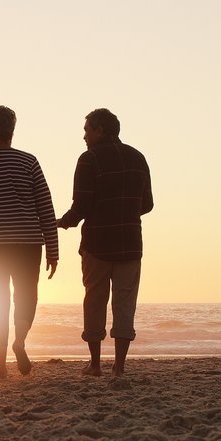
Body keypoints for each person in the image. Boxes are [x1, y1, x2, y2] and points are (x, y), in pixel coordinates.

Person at [0, 105, 59, 379]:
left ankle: (0, 366)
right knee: (26, 295)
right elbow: (45, 207)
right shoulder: (28, 161)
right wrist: (53, 249)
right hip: (27, 241)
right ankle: (20, 341)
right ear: (12, 131)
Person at [57, 108, 153, 377]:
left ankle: (96, 364)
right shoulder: (138, 158)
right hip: (130, 243)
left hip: (97, 244)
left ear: (100, 130)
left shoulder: (89, 159)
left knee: (94, 301)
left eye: (87, 129)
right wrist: (125, 212)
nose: (84, 135)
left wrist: (62, 222)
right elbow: (147, 204)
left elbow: (82, 205)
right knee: (124, 303)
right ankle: (119, 367)